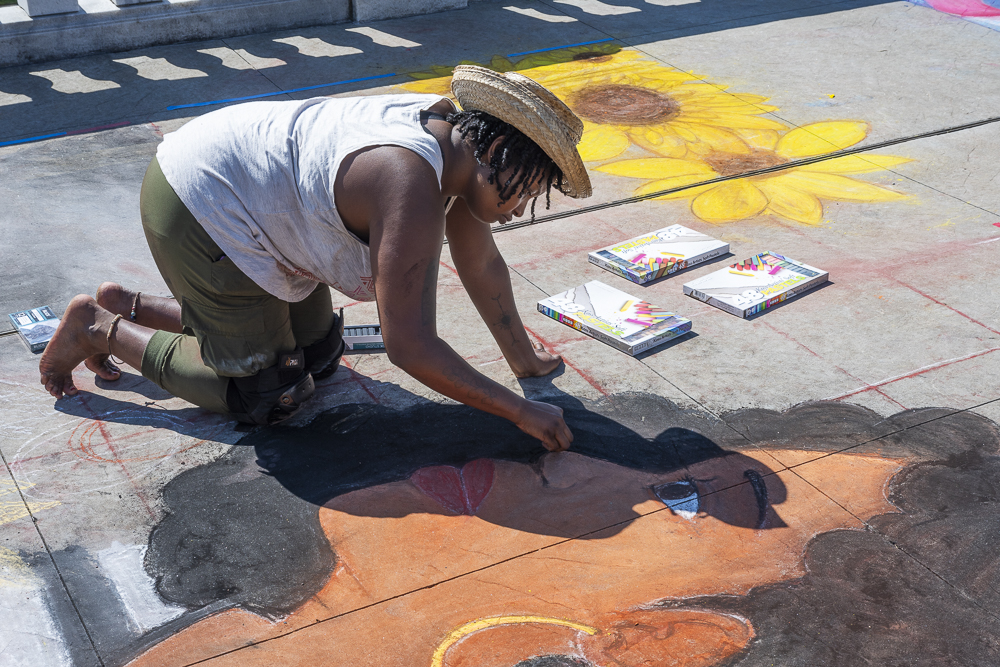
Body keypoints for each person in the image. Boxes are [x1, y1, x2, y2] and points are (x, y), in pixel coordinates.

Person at [37, 66, 593, 452]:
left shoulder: (459, 151)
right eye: (528, 189)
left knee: (320, 355)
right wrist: (519, 412)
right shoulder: (410, 181)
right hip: (200, 203)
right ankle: (101, 327)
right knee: (272, 396)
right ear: (496, 152)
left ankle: (132, 304)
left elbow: (482, 264)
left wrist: (528, 366)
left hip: (258, 210)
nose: (523, 209)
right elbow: (409, 347)